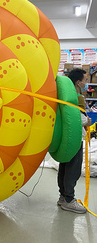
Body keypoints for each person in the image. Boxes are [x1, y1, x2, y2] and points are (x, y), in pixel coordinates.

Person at [57, 68, 91, 213]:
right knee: (73, 169)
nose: (86, 82)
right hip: (75, 137)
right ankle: (69, 200)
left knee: (64, 167)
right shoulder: (77, 98)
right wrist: (87, 121)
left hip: (66, 138)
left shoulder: (66, 95)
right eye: (85, 80)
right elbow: (78, 118)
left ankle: (63, 197)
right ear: (78, 82)